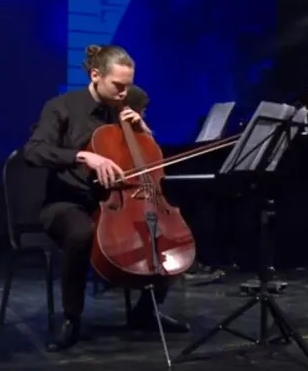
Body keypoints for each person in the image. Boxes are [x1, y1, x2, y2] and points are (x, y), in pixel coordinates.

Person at [24, 44, 190, 352]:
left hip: (123, 200)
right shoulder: (61, 107)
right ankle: (71, 317)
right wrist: (83, 156)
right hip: (69, 201)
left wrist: (144, 132)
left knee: (165, 233)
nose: (125, 93)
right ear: (95, 75)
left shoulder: (128, 105)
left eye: (128, 85)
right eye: (118, 86)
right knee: (81, 232)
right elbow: (34, 151)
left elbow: (148, 161)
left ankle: (145, 311)